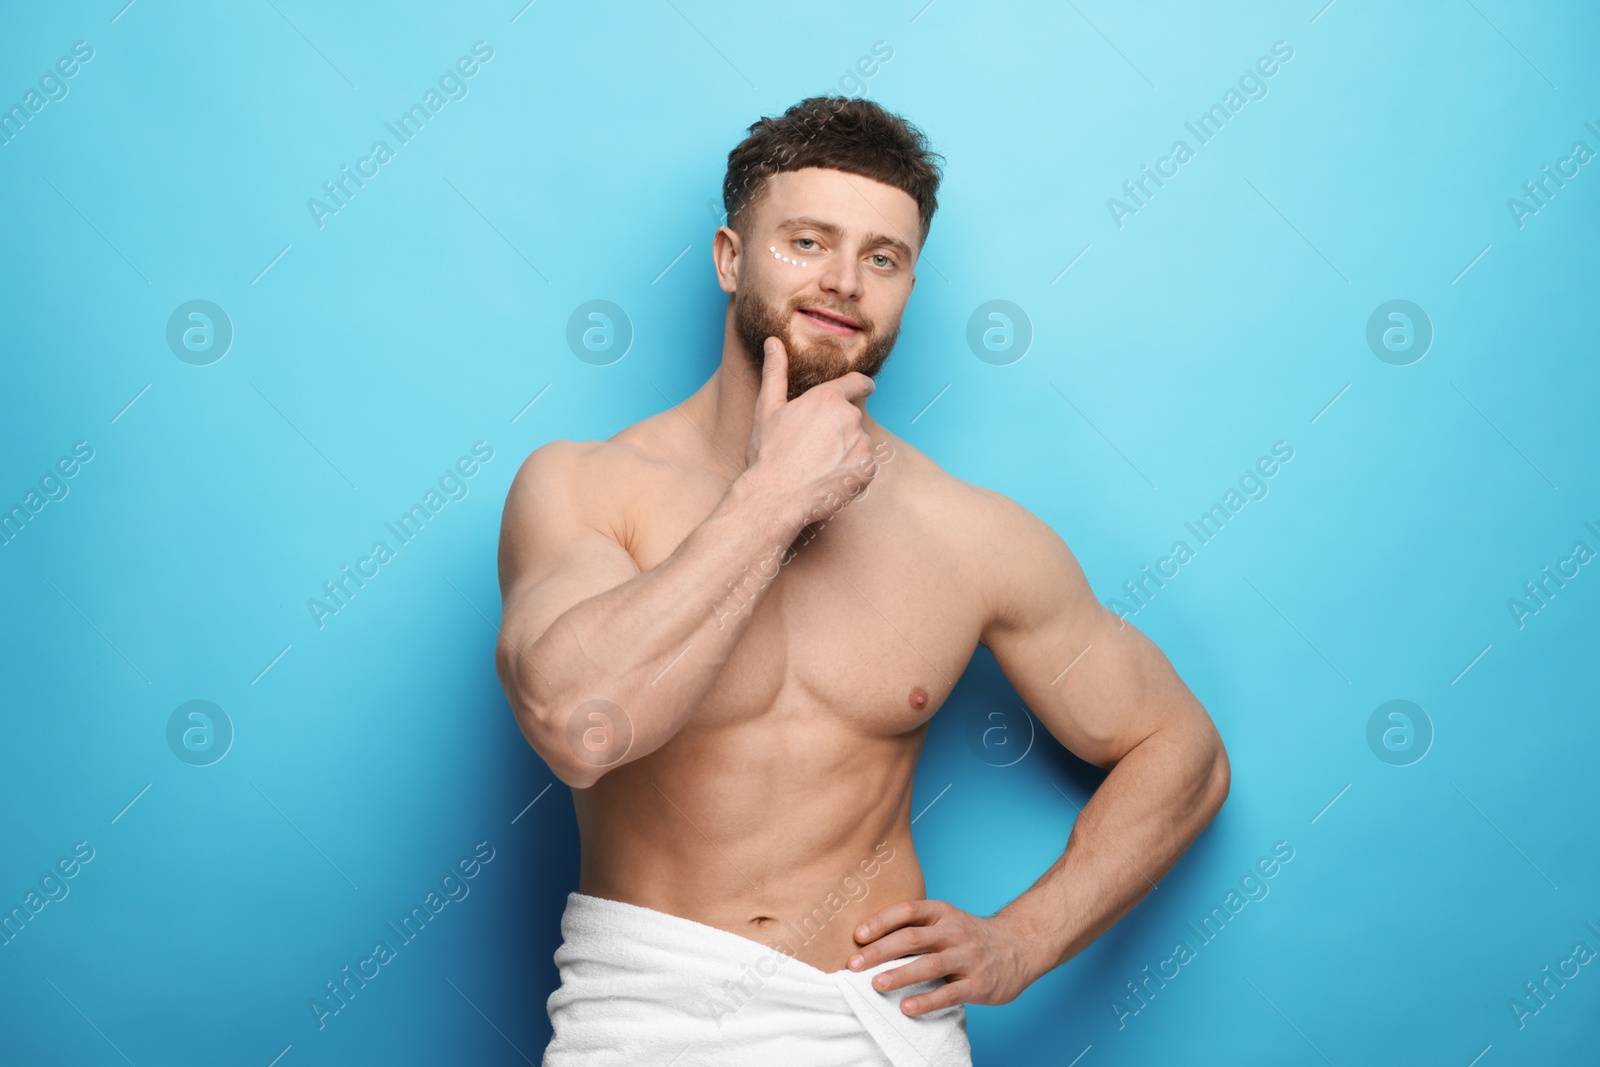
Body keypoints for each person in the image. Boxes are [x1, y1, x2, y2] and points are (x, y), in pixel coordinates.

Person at [494, 95, 1230, 1067]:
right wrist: (770, 501)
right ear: (728, 257)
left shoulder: (968, 531)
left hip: (875, 1026)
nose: (843, 281)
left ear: (908, 284)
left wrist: (1024, 938)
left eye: (882, 257)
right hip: (645, 1016)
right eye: (805, 241)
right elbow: (574, 728)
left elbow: (1183, 751)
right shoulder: (586, 485)